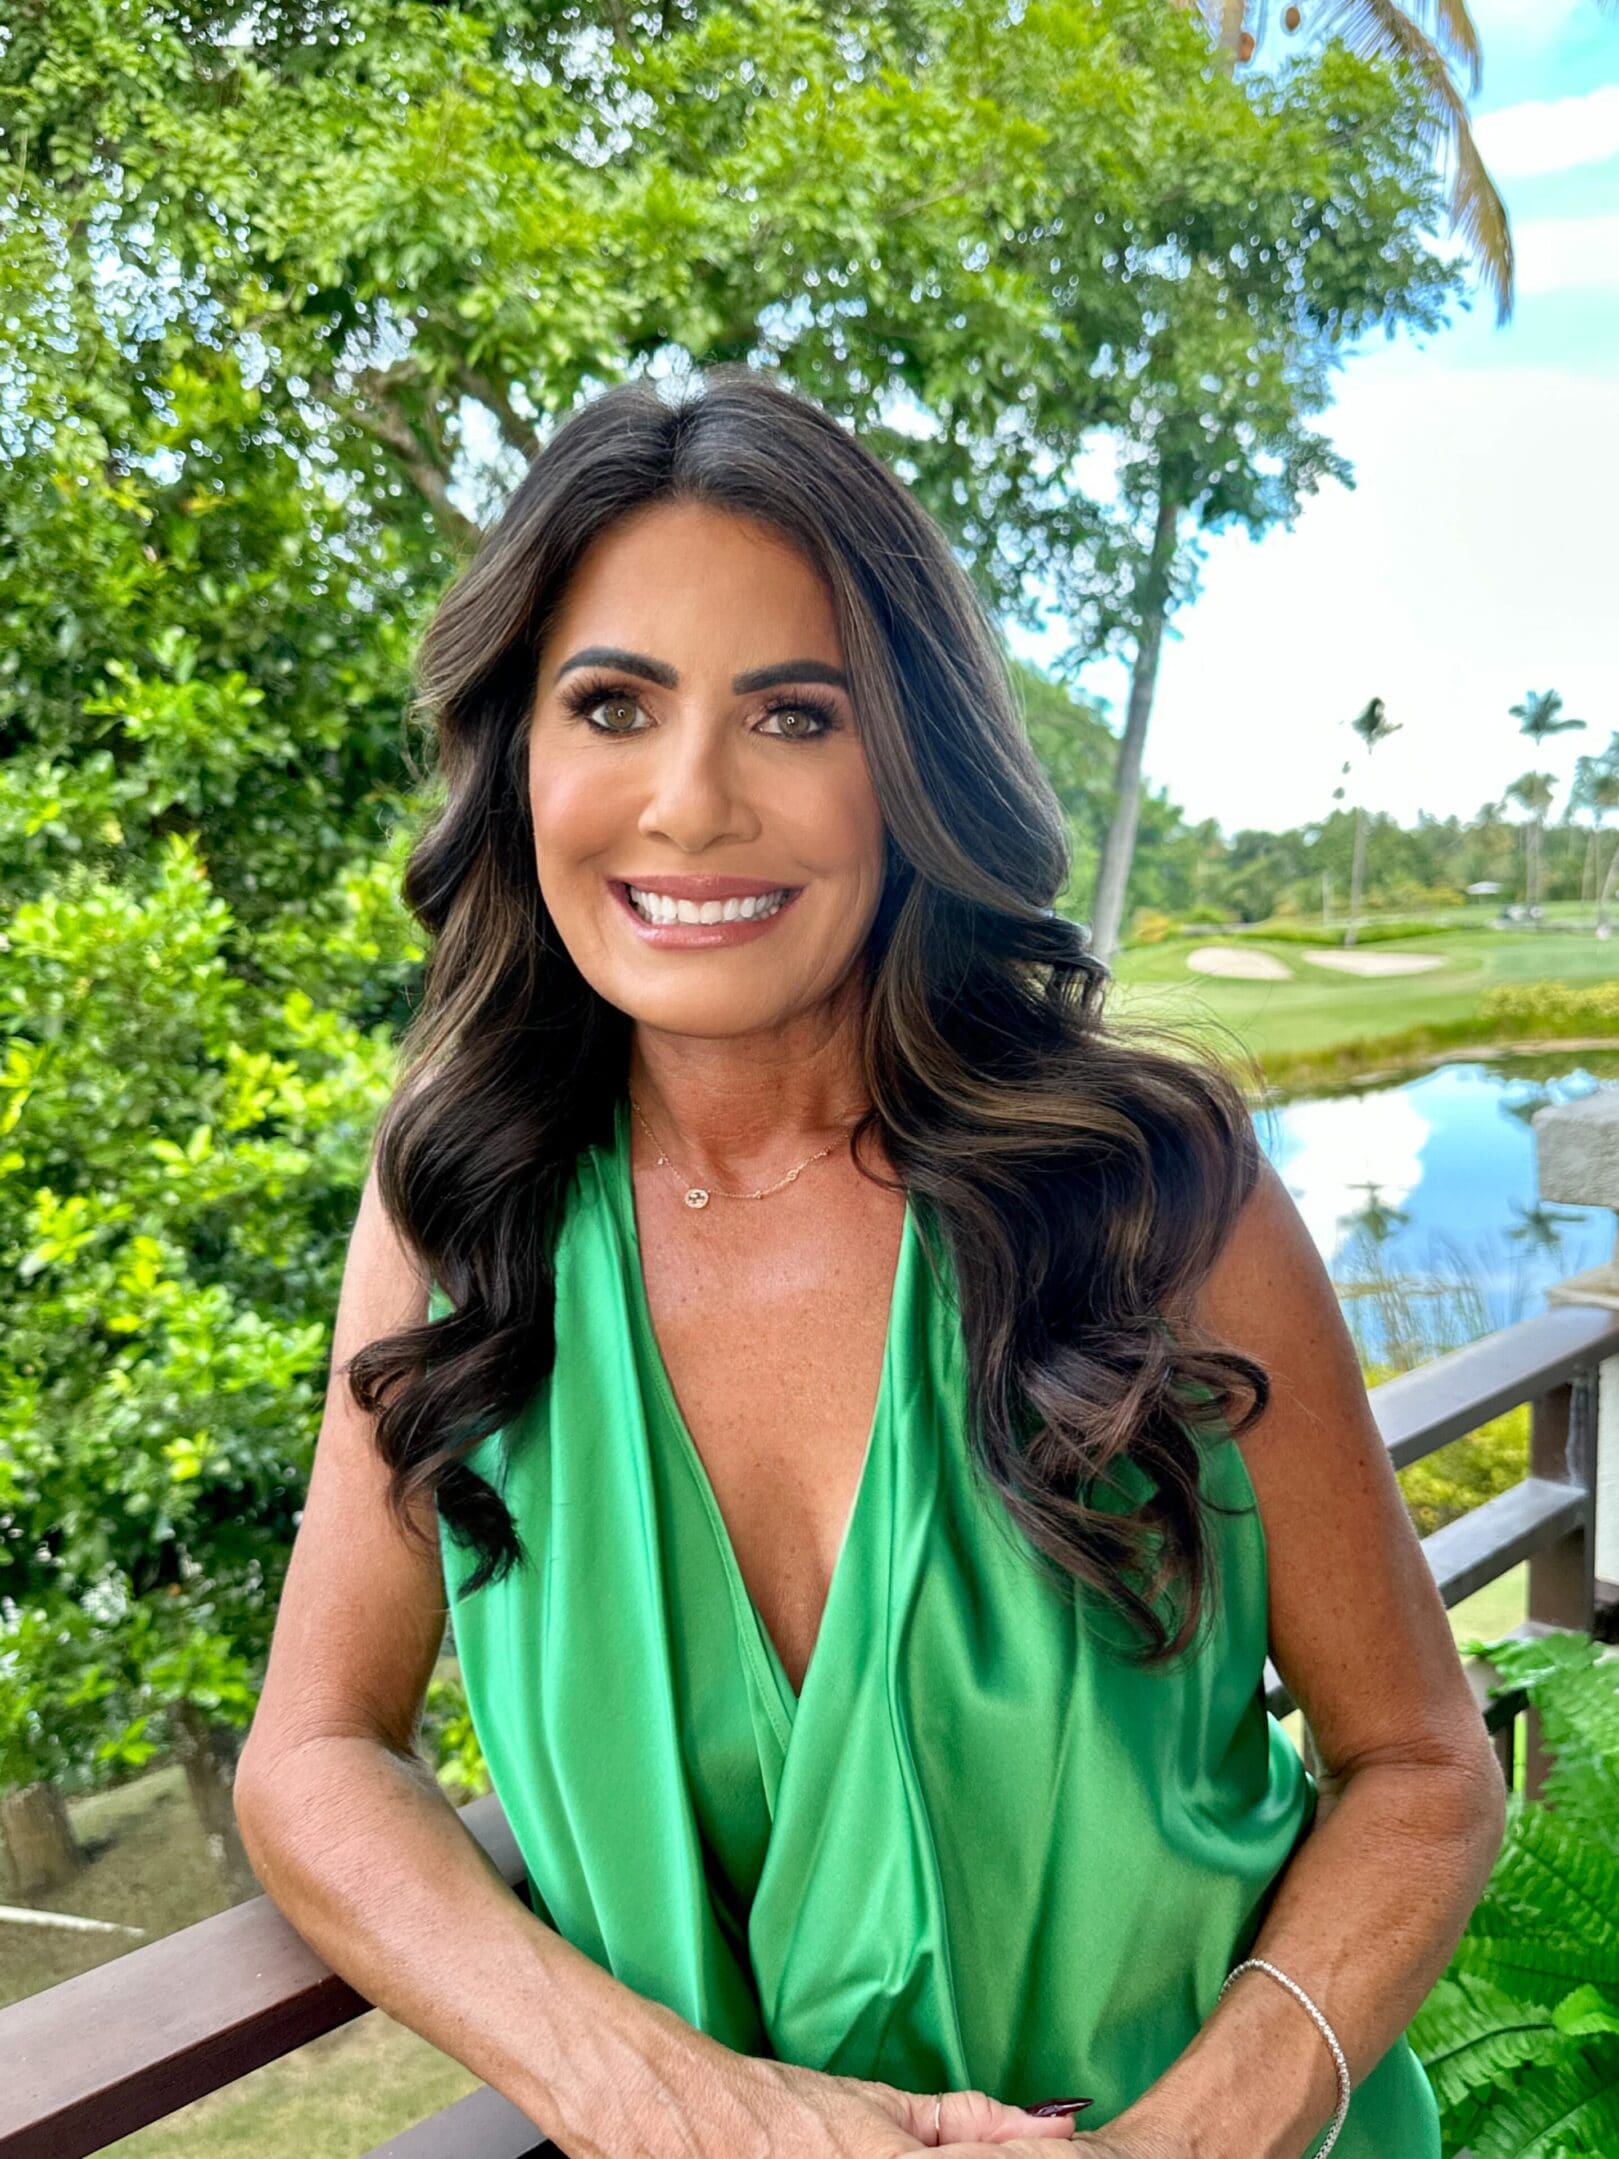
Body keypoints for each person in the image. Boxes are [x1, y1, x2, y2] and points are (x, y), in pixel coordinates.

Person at [234, 366, 1506, 2159]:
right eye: (612, 704)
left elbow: (1424, 1765)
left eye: (794, 716)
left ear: (910, 771)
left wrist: (1200, 2135)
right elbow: (311, 1760)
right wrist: (663, 2100)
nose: (686, 805)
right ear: (520, 750)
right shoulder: (463, 1206)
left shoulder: (1151, 1195)